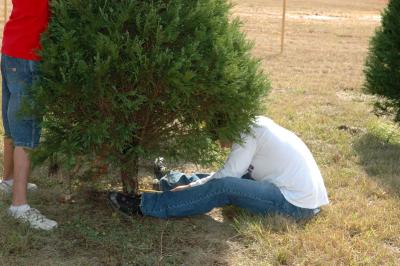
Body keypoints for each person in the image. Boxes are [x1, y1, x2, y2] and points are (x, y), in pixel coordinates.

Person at [108, 116, 329, 221]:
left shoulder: (249, 132)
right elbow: (232, 171)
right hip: (294, 194)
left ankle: (143, 205)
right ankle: (170, 180)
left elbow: (228, 177)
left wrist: (194, 185)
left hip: (295, 205)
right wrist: (195, 184)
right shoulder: (254, 124)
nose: (220, 144)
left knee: (224, 186)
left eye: (217, 138)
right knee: (223, 179)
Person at [0, 0, 57, 230]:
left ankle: (9, 180)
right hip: (28, 55)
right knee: (26, 128)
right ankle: (19, 205)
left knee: (12, 122)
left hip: (11, 48)